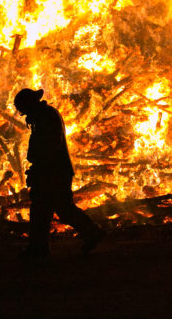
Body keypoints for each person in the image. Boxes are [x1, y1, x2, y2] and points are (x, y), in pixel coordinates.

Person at [14, 88, 105, 259]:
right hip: (53, 171)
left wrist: (40, 170)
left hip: (53, 172)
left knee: (55, 210)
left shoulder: (46, 117)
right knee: (44, 211)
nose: (24, 114)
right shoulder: (42, 116)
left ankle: (91, 233)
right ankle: (39, 249)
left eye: (24, 110)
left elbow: (48, 147)